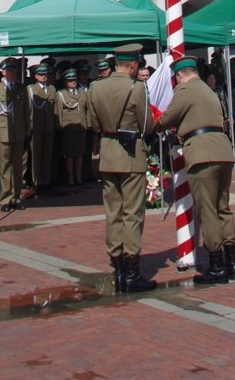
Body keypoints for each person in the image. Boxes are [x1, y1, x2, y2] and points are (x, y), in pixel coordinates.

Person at [155, 55, 235, 284]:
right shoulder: (207, 90)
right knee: (223, 207)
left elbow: (168, 117)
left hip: (202, 153)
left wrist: (154, 121)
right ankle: (231, 262)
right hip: (222, 150)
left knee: (207, 209)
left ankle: (217, 265)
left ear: (180, 75)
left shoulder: (186, 89)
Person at [87, 44, 156, 292]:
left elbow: (92, 122)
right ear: (134, 65)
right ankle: (132, 270)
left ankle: (117, 266)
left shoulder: (96, 87)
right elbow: (147, 124)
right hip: (131, 153)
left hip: (107, 154)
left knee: (113, 210)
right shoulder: (136, 87)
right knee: (133, 212)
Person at [0, 58, 30, 211]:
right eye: (9, 71)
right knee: (5, 167)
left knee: (18, 166)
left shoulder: (21, 88)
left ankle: (16, 196)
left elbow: (26, 112)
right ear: (3, 72)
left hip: (19, 131)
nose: (12, 74)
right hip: (3, 132)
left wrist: (27, 131)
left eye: (14, 71)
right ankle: (5, 198)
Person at [55, 68, 88, 185]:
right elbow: (58, 111)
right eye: (70, 81)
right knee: (69, 155)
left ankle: (78, 177)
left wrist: (88, 124)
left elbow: (87, 109)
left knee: (80, 154)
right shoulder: (61, 94)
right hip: (68, 127)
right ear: (66, 82)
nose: (73, 82)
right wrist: (60, 126)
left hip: (81, 127)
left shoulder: (82, 92)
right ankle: (70, 177)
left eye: (74, 80)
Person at [28, 63, 56, 192]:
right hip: (37, 126)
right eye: (41, 75)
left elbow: (54, 108)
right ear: (36, 76)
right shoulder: (31, 89)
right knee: (36, 155)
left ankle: (46, 179)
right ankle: (37, 180)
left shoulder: (52, 89)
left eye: (45, 75)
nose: (44, 77)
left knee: (47, 154)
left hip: (49, 125)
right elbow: (28, 109)